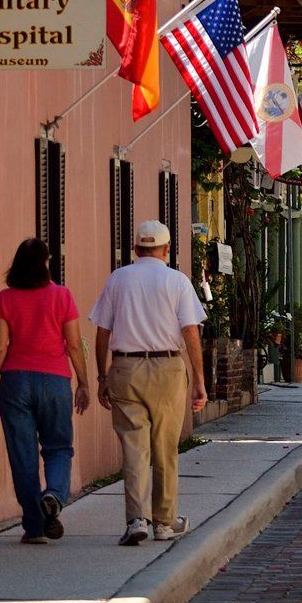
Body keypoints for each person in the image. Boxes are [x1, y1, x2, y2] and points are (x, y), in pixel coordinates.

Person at [91, 220, 208, 546]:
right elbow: (190, 332)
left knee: (134, 448)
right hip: (168, 367)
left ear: (135, 249)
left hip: (125, 368)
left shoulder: (119, 279)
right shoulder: (177, 281)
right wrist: (199, 378)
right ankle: (165, 521)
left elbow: (102, 332)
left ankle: (136, 519)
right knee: (165, 448)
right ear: (167, 249)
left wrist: (103, 376)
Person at [0, 237, 89, 544]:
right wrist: (83, 382)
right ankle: (54, 494)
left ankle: (34, 525)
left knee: (22, 455)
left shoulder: (6, 298)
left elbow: (0, 345)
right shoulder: (62, 296)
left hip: (15, 382)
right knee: (58, 447)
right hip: (54, 381)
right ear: (45, 263)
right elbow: (72, 344)